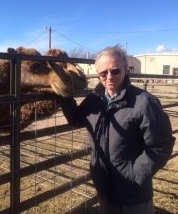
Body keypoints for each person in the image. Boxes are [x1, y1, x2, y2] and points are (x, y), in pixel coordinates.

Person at [60, 45, 175, 214]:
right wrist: (64, 93)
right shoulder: (94, 100)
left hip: (133, 193)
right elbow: (76, 119)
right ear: (98, 73)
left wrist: (136, 175)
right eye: (103, 73)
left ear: (125, 69)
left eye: (115, 71)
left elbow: (162, 144)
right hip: (104, 186)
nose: (109, 77)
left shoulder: (144, 102)